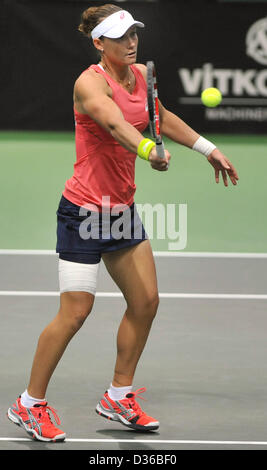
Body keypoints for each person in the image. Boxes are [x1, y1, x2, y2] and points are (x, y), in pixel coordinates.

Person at [7, 4, 239, 442]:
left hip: (120, 211)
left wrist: (207, 149)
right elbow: (115, 125)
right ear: (99, 43)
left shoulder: (138, 78)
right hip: (82, 212)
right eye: (120, 36)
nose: (131, 42)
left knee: (146, 300)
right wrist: (149, 151)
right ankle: (29, 404)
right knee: (76, 312)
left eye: (134, 34)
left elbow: (161, 116)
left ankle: (119, 395)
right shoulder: (88, 84)